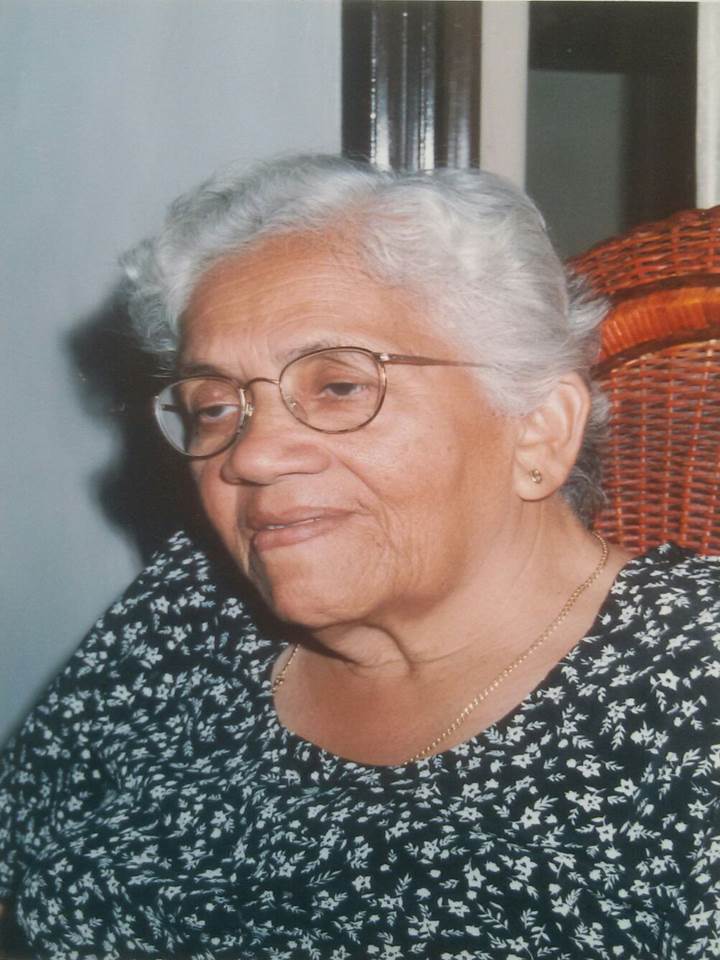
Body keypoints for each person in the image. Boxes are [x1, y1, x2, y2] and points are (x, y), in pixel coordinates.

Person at [1, 155, 718, 960]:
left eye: (339, 387)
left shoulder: (696, 689)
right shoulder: (190, 604)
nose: (252, 455)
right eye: (215, 407)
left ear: (539, 431)